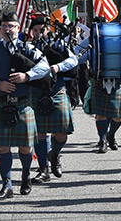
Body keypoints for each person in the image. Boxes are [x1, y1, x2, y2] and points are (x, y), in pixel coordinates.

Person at [0, 12, 50, 200]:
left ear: (19, 29)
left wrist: (27, 76)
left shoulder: (28, 48)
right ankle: (7, 184)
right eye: (4, 27)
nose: (7, 30)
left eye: (11, 26)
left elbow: (45, 66)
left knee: (26, 146)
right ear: (0, 30)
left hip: (23, 103)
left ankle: (26, 174)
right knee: (3, 146)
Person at [29, 16, 77, 183]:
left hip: (57, 91)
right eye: (35, 30)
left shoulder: (59, 44)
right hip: (36, 93)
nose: (38, 33)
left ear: (48, 29)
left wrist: (58, 66)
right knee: (39, 133)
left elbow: (73, 60)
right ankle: (43, 170)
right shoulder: (27, 47)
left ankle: (54, 154)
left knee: (62, 133)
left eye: (41, 29)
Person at [77, 21, 121, 154]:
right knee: (100, 114)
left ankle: (111, 134)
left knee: (119, 116)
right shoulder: (91, 41)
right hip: (99, 80)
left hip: (118, 80)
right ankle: (103, 140)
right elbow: (78, 55)